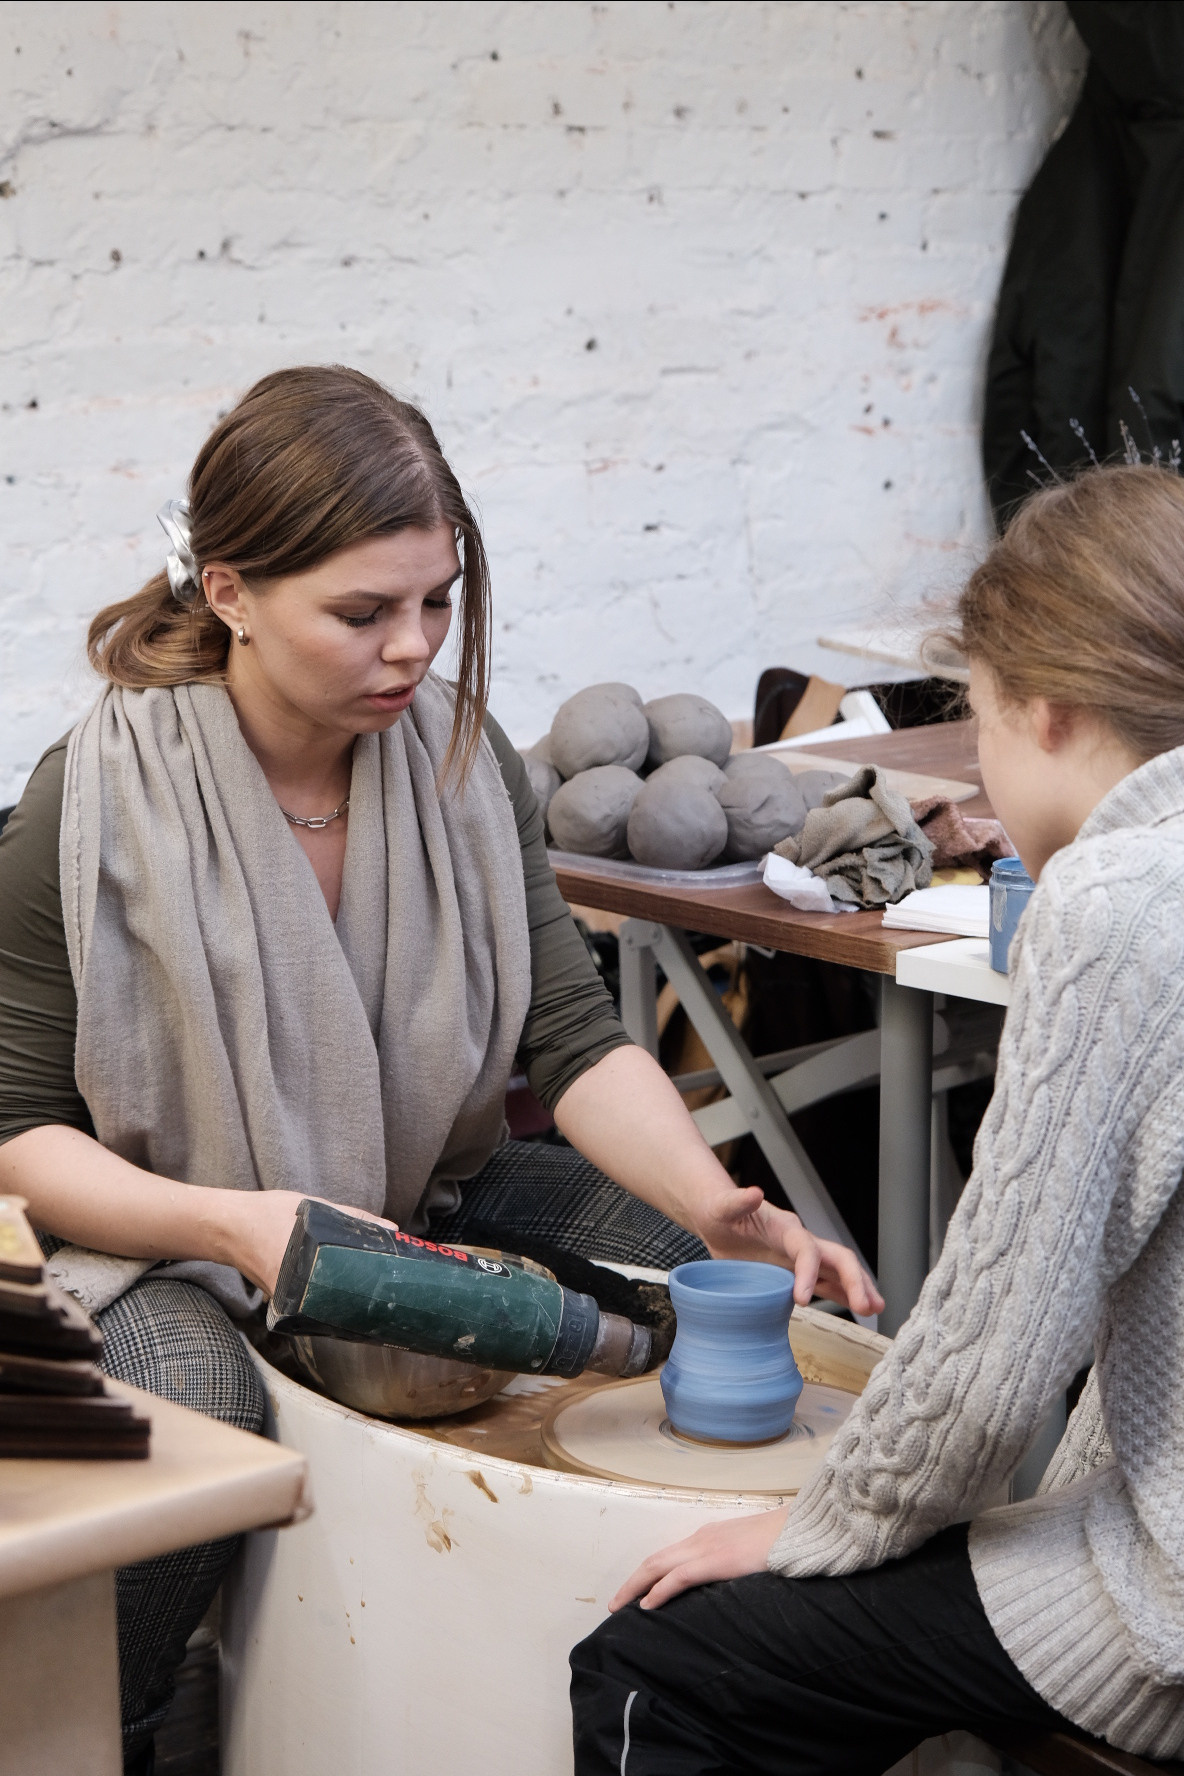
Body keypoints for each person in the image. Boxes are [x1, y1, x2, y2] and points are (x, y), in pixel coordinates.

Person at [0, 365, 879, 1772]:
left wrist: (719, 1206)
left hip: (417, 1194)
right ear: (227, 590)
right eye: (363, 612)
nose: (414, 649)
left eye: (438, 603)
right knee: (200, 1416)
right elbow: (18, 1130)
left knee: (708, 1287)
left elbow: (572, 1038)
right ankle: (120, 1726)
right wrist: (236, 1222)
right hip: (154, 1240)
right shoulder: (96, 795)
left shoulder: (463, 768)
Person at [570, 463, 1184, 1772]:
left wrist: (811, 1532)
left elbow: (991, 1362)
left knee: (656, 1667)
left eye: (978, 723)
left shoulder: (1120, 900)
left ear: (1052, 712)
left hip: (1172, 1613)